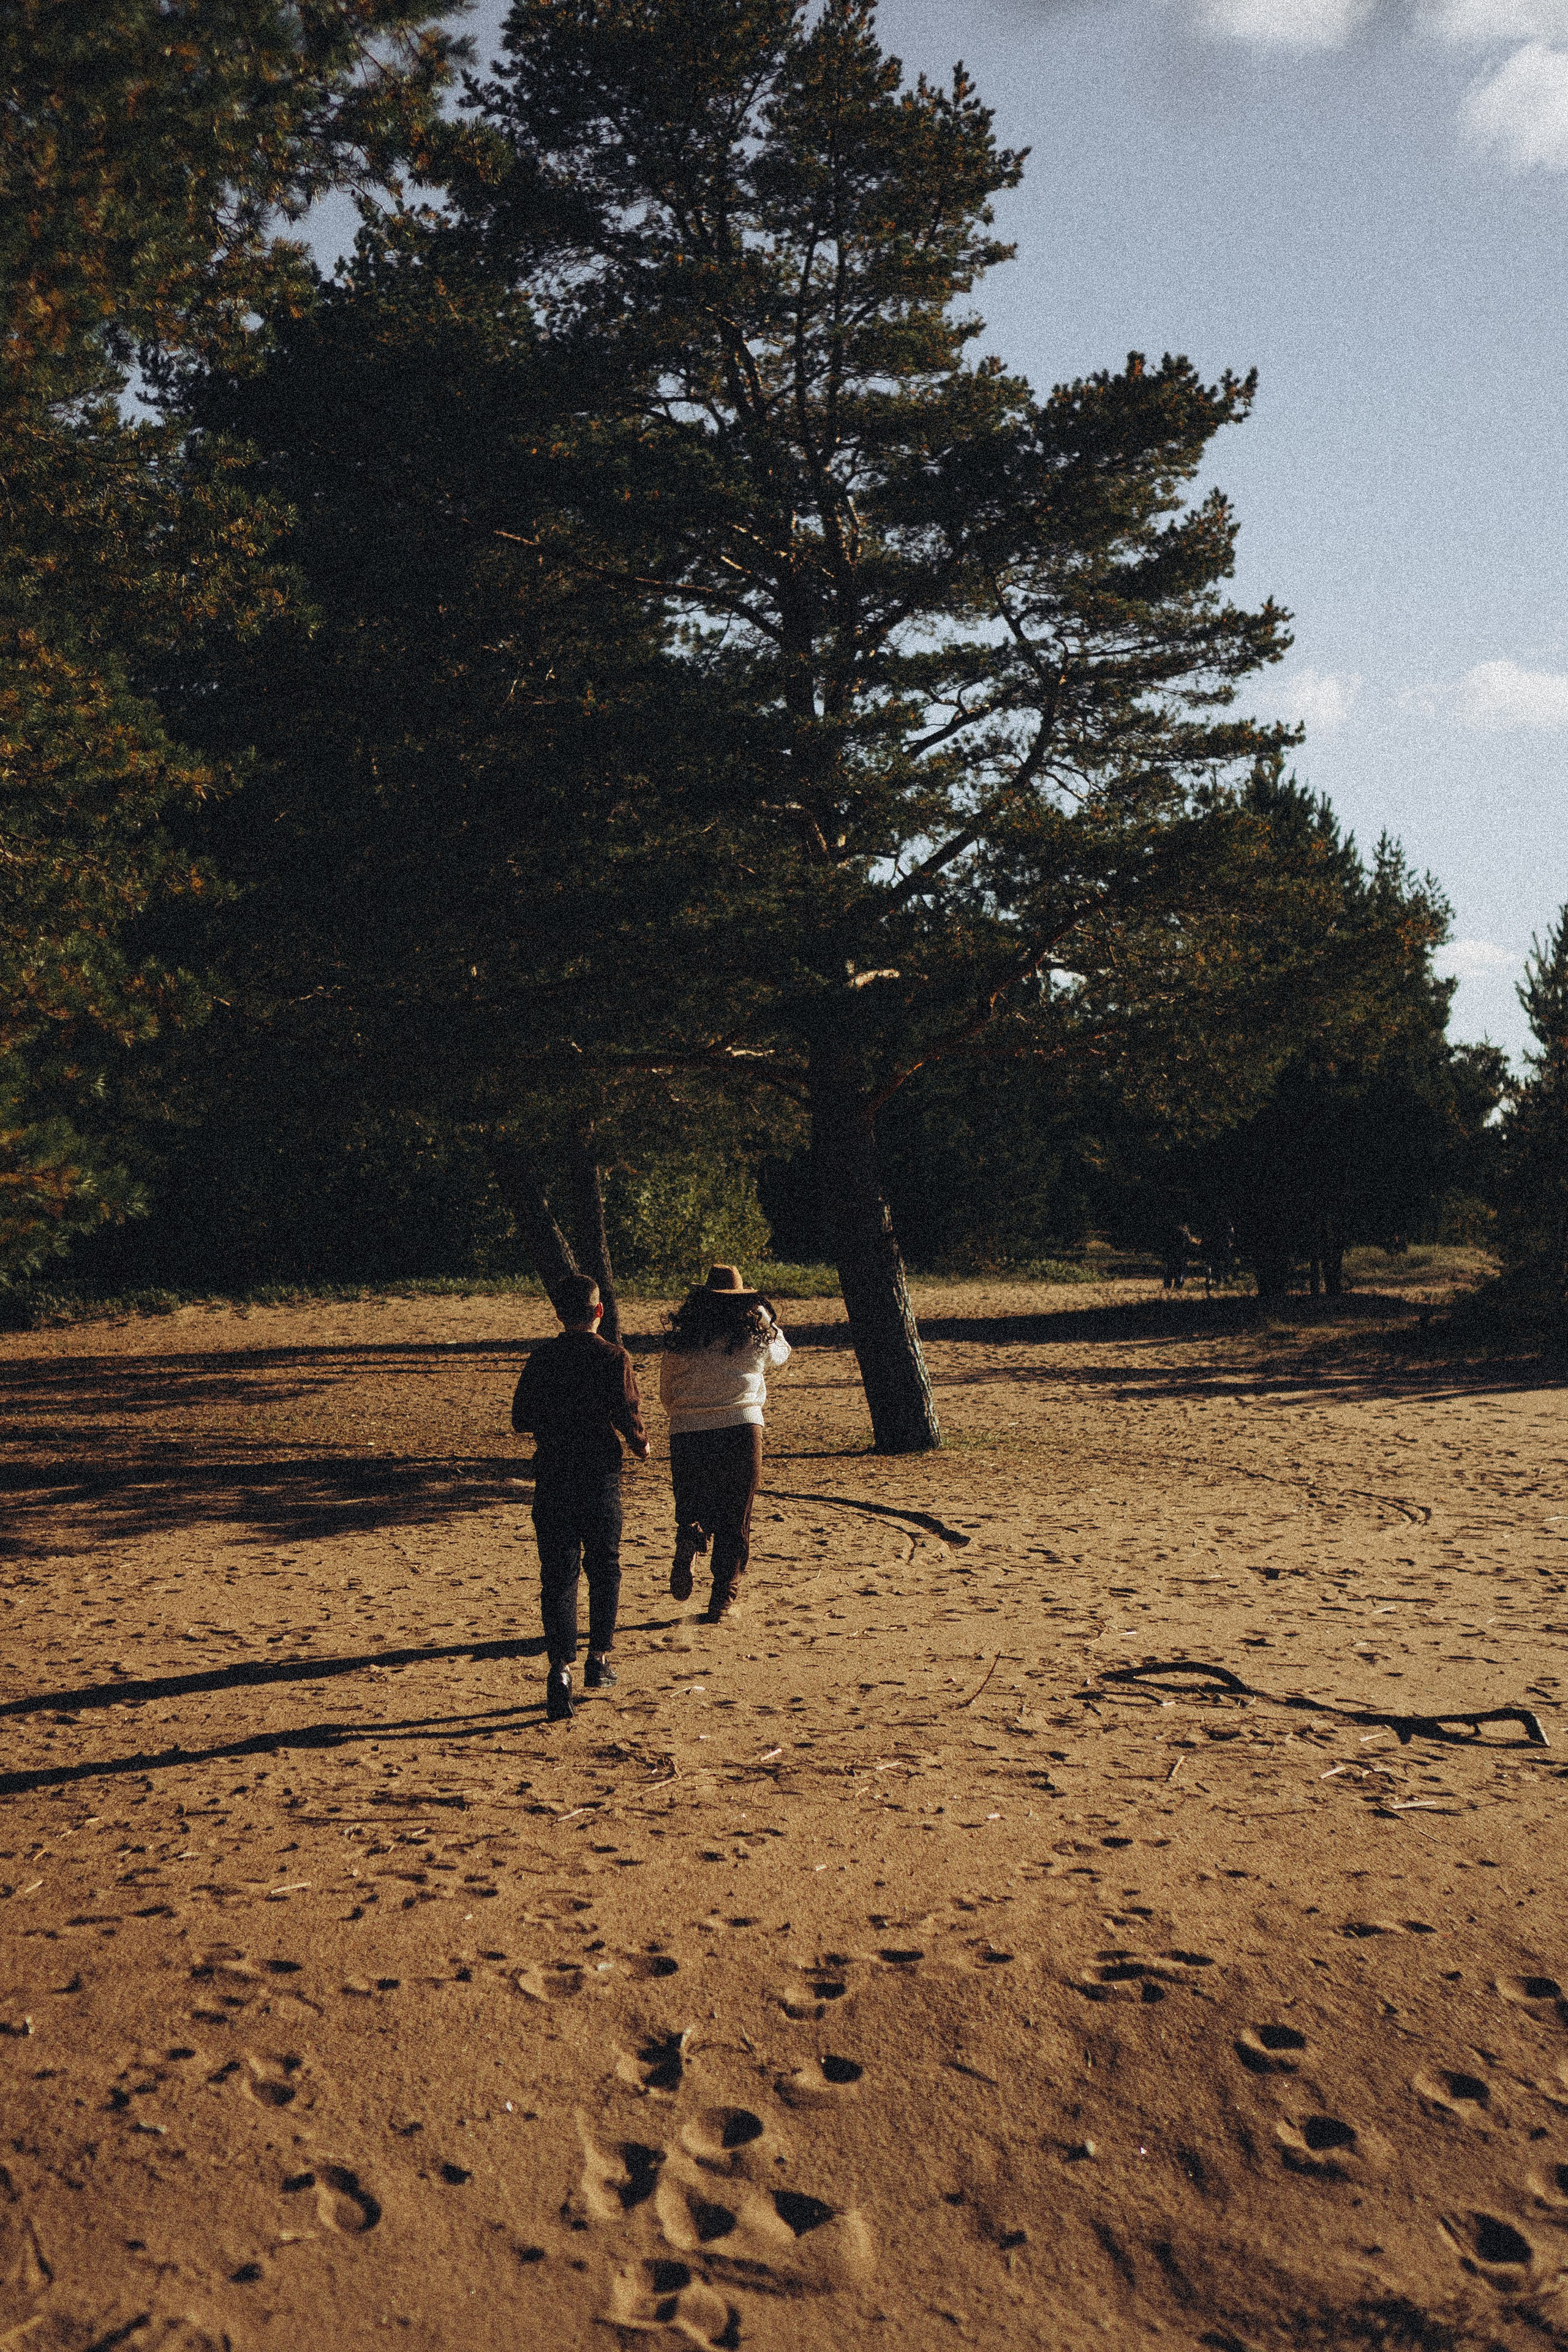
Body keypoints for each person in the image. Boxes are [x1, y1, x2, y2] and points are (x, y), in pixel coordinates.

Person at [510, 1273, 649, 1723]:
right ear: (599, 1312)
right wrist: (640, 1443)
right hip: (599, 1473)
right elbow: (628, 1413)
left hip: (553, 1472)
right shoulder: (613, 1356)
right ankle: (600, 1658)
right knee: (604, 1565)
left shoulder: (542, 1358)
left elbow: (521, 1418)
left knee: (559, 1572)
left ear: (558, 1314)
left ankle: (560, 1667)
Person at [658, 1264, 790, 1625]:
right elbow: (783, 1352)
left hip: (687, 1430)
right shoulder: (756, 1339)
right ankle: (722, 1597)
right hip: (741, 1427)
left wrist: (687, 1414)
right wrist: (766, 1317)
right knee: (737, 1515)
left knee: (693, 1502)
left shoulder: (681, 1343)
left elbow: (666, 1393)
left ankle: (691, 1533)